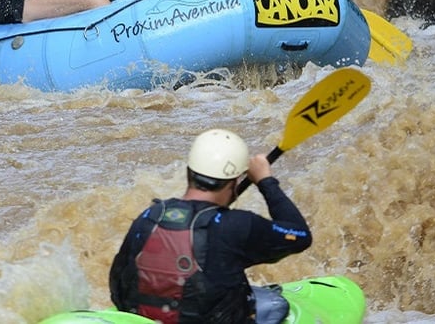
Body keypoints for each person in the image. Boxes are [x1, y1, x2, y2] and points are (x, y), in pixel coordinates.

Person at [109, 129, 312, 324]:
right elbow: (300, 235)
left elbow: (117, 285)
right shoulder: (238, 226)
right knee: (265, 304)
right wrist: (266, 181)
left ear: (189, 172)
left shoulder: (149, 216)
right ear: (234, 182)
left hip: (145, 318)